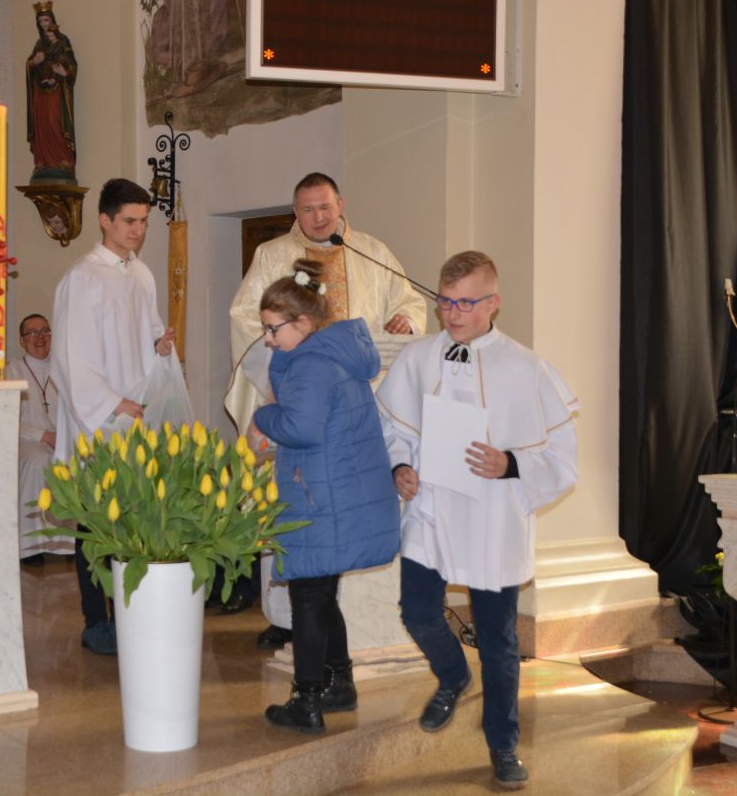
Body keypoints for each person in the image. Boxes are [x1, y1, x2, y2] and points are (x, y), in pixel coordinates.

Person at [377, 250, 579, 789]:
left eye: (466, 303)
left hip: (492, 517)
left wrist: (509, 463)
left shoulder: (526, 368)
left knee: (498, 641)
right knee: (418, 612)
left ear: (494, 303)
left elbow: (562, 458)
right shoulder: (418, 358)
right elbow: (393, 427)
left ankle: (503, 746)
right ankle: (452, 675)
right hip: (432, 509)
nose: (452, 313)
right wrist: (399, 467)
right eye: (445, 302)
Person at [227, 171, 427, 651]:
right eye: (307, 209)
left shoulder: (372, 252)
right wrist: (276, 387)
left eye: (325, 207)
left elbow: (410, 300)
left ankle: (355, 619)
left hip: (358, 403)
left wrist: (407, 317)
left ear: (341, 205)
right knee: (292, 500)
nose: (318, 217)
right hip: (300, 400)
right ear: (295, 212)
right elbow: (245, 318)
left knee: (343, 502)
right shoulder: (272, 254)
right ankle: (284, 617)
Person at [253, 259, 400, 734]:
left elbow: (300, 427)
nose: (268, 339)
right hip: (333, 490)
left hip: (320, 495)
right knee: (321, 593)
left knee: (308, 597)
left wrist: (262, 416)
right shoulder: (331, 353)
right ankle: (340, 683)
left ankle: (307, 699)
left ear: (303, 322)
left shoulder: (311, 364)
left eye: (273, 329)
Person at [50, 177, 179, 655]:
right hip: (100, 418)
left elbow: (146, 335)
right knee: (95, 521)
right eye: (129, 221)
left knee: (133, 516)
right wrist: (111, 403)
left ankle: (130, 611)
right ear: (104, 220)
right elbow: (70, 356)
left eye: (143, 222)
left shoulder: (141, 275)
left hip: (135, 412)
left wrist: (159, 346)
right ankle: (96, 620)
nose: (138, 230)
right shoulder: (82, 277)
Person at [5, 313, 73, 566]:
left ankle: (68, 542)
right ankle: (30, 546)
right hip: (25, 437)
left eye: (45, 331)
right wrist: (43, 435)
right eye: (32, 332)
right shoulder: (13, 370)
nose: (40, 337)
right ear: (22, 340)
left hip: (62, 437)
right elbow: (7, 416)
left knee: (74, 460)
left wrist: (64, 436)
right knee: (39, 461)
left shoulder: (63, 369)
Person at [26, 2, 77, 181]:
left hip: (56, 91)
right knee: (42, 123)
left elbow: (71, 64)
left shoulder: (63, 41)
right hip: (40, 91)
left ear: (52, 20)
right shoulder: (39, 44)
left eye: (46, 20)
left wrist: (65, 73)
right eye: (40, 21)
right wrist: (34, 63)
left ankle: (62, 160)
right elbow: (30, 65)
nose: (44, 24)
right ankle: (43, 162)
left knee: (54, 120)